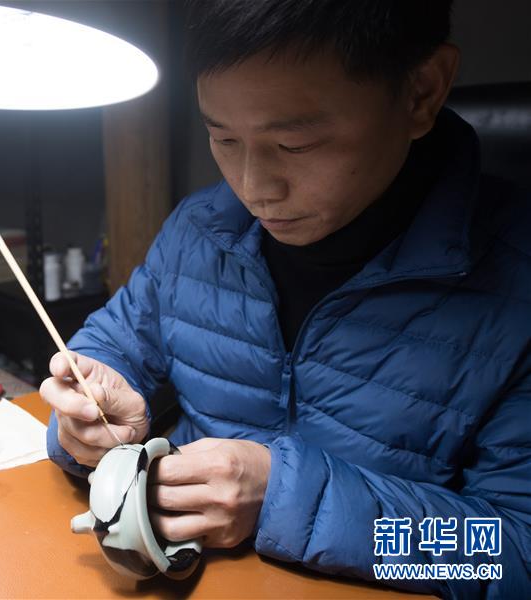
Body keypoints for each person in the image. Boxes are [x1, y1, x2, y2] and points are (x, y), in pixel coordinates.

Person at [39, 1, 530, 597]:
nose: (253, 189)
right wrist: (86, 412)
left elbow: (513, 558)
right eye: (222, 137)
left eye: (296, 144)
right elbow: (109, 347)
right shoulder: (200, 229)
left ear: (421, 91)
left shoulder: (515, 285)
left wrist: (285, 500)